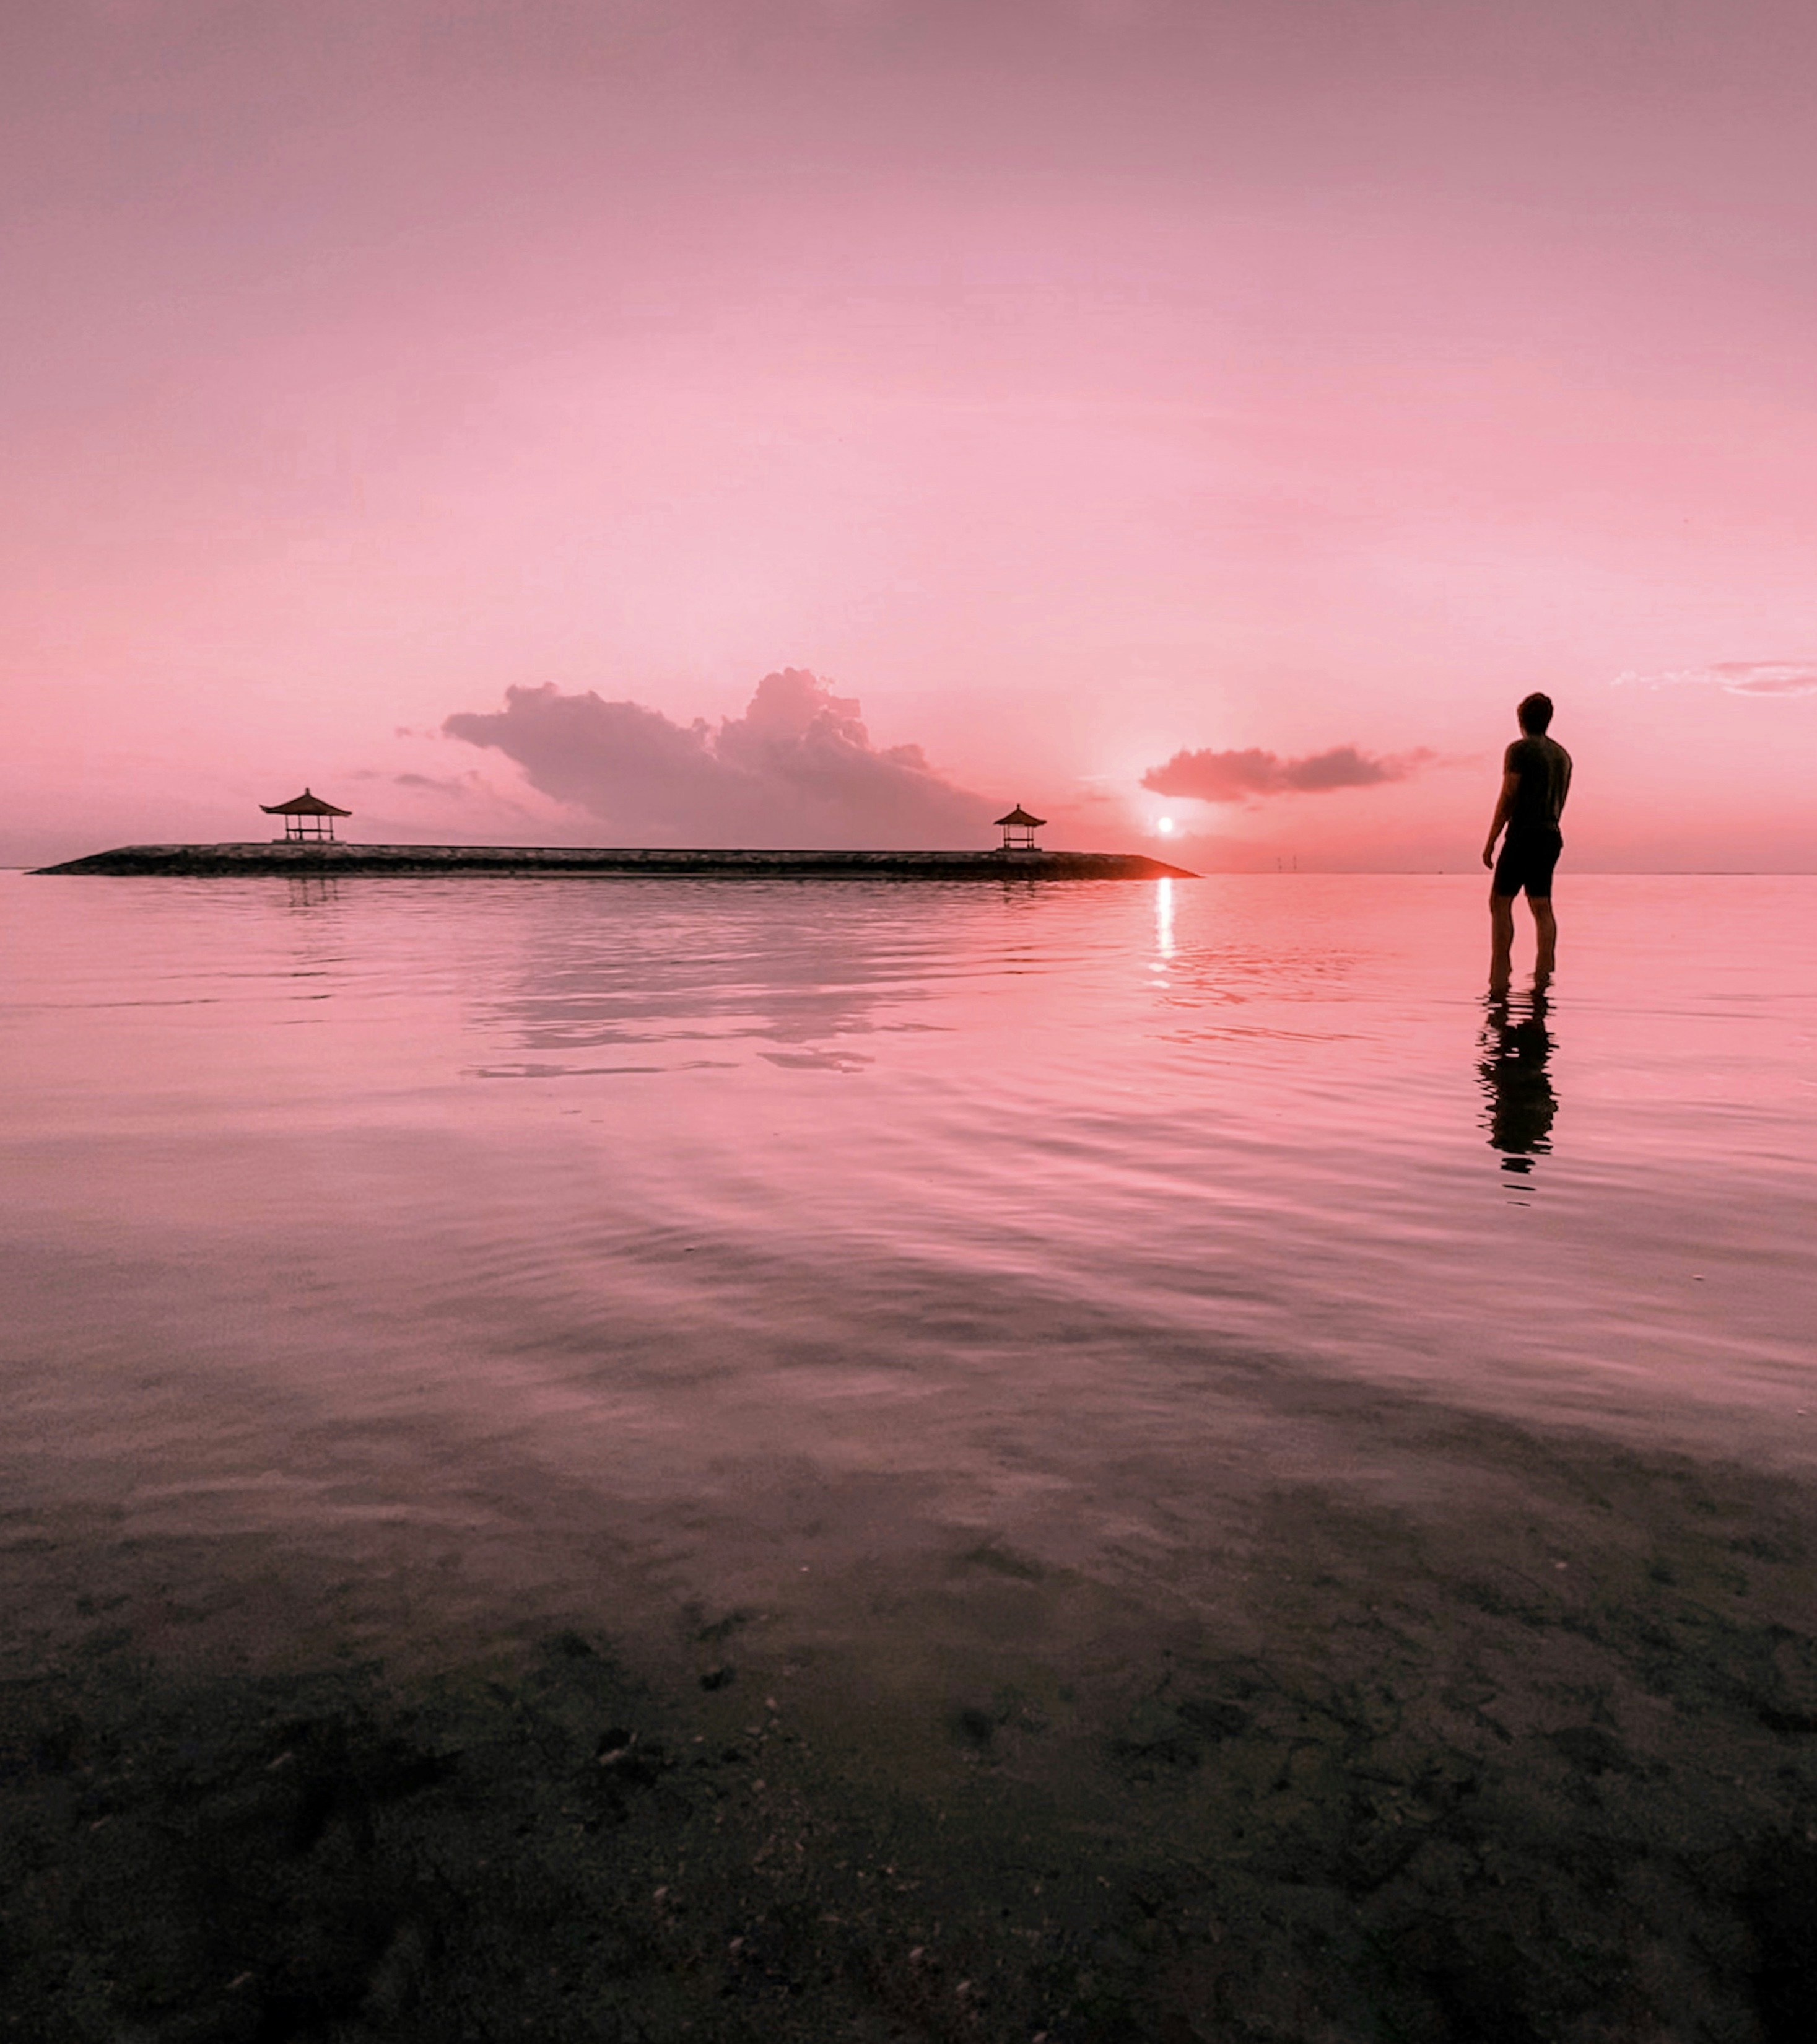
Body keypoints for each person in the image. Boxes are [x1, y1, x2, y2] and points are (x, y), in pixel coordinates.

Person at [1482, 693, 1571, 993]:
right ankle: (1545, 973)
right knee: (1542, 905)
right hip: (1551, 835)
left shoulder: (1519, 750)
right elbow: (1561, 802)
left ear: (1522, 720)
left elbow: (1509, 795)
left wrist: (1492, 839)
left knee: (1500, 902)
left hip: (1523, 833)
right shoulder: (1563, 757)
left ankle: (1500, 971)